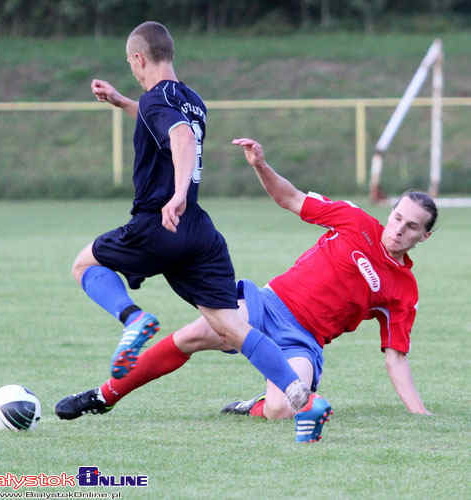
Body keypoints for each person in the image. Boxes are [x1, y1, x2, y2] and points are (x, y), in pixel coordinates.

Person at [56, 137, 436, 442]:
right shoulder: (355, 221)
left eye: (413, 227)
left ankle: (252, 406)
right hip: (268, 304)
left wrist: (419, 414)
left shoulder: (404, 290)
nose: (400, 229)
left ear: (425, 236)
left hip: (302, 340)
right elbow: (291, 198)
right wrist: (261, 166)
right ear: (391, 212)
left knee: (282, 410)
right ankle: (104, 396)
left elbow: (396, 357)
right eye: (398, 217)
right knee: (193, 334)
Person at [71, 21, 314, 427]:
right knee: (231, 326)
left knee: (84, 266)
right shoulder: (192, 100)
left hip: (159, 221)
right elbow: (165, 123)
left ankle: (134, 319)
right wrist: (121, 101)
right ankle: (301, 398)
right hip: (200, 234)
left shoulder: (156, 100)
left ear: (138, 58)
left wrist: (178, 193)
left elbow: (180, 138)